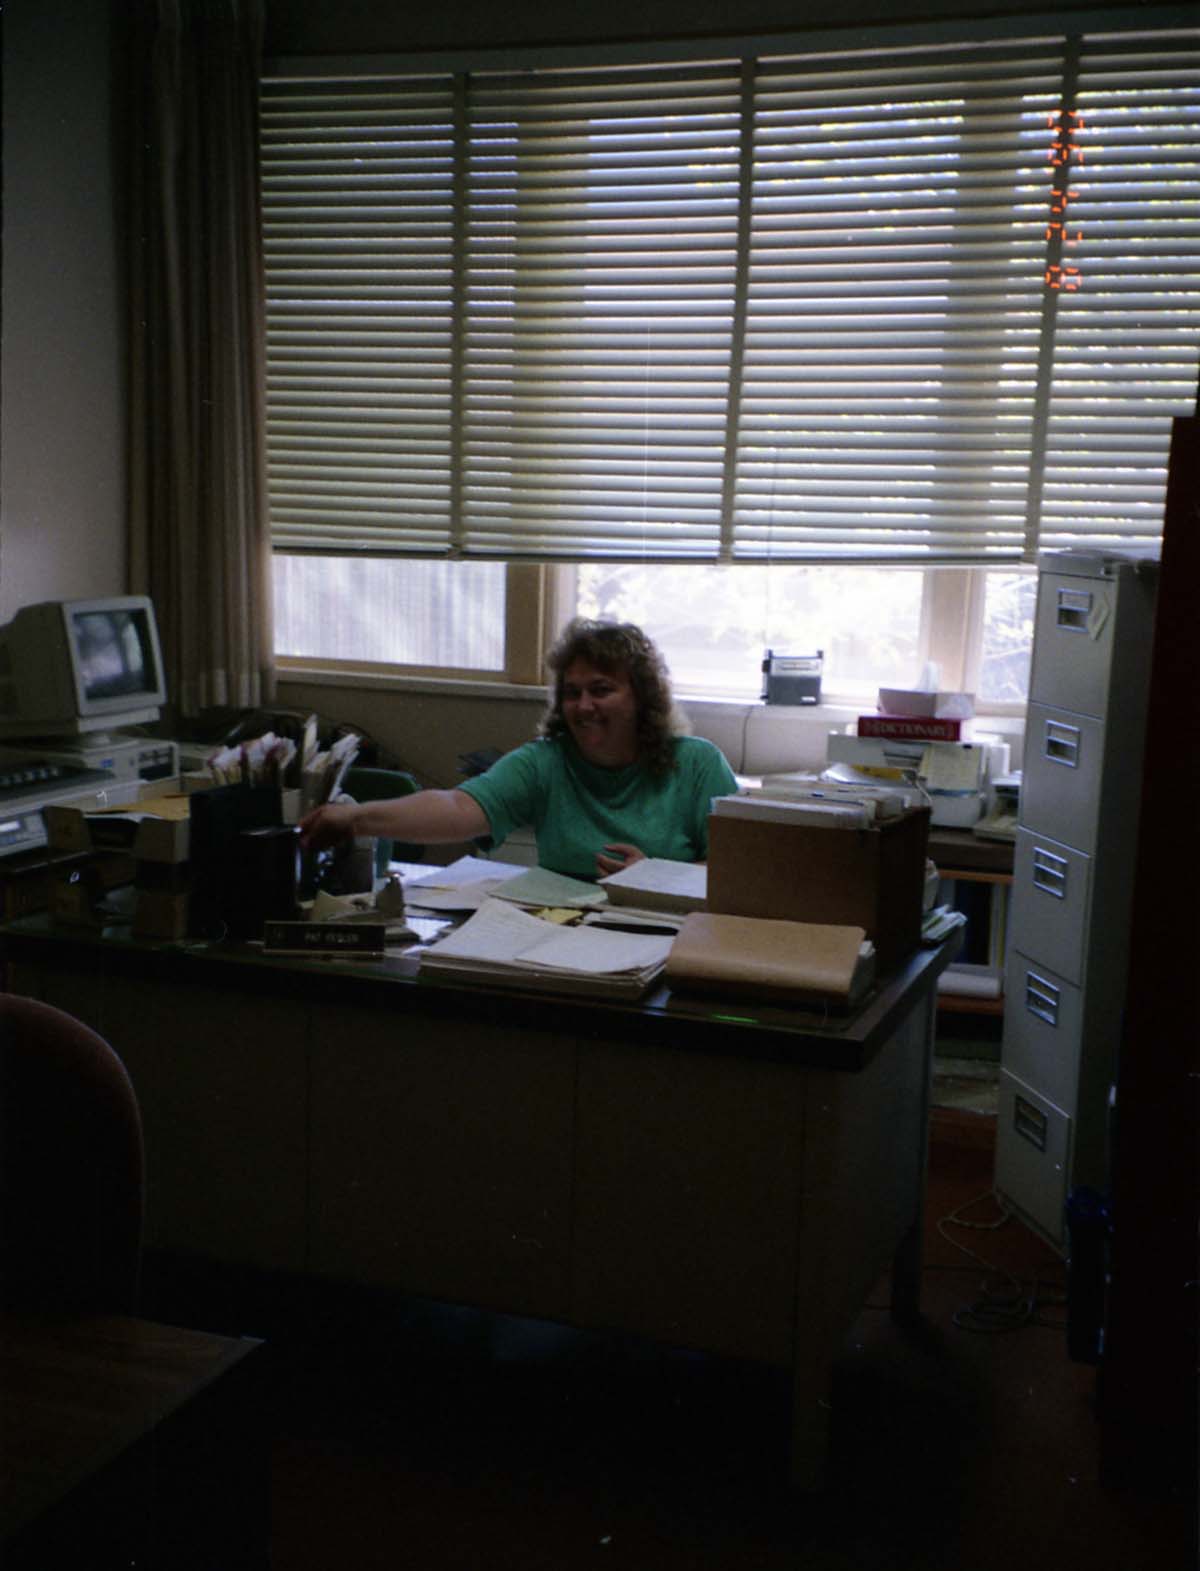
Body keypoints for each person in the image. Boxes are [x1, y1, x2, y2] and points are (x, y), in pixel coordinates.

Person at [298, 618, 738, 881]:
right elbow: (457, 806)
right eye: (572, 692)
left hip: (665, 941)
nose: (583, 707)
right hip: (558, 935)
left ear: (642, 697)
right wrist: (356, 819)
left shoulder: (697, 764)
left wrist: (657, 879)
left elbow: (739, 874)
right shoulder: (546, 761)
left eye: (601, 690)